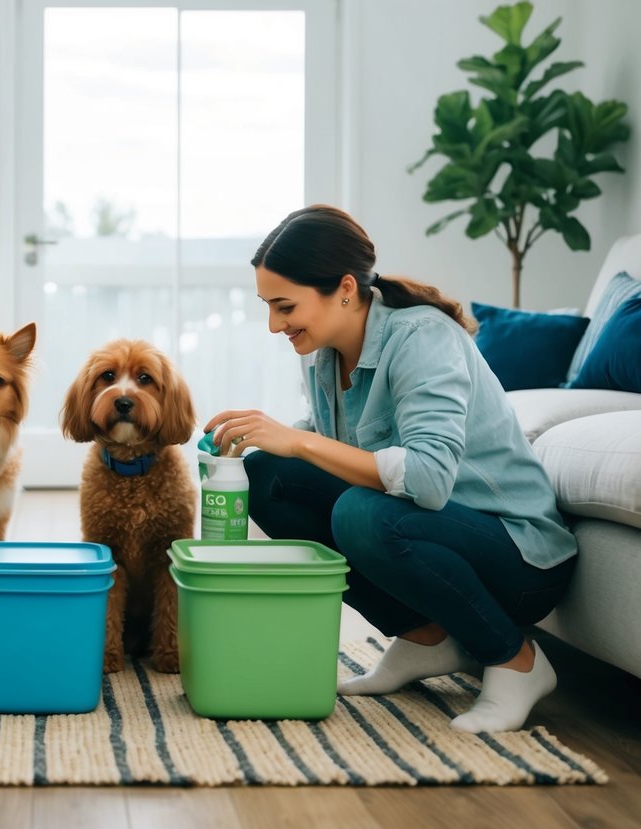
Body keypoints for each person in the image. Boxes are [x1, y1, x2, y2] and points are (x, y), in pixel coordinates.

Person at [199, 205, 577, 733]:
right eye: (268, 306)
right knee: (268, 477)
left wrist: (299, 441)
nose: (274, 325)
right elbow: (324, 440)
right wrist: (262, 440)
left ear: (346, 289)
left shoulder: (422, 337)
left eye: (285, 306)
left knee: (362, 513)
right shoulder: (321, 352)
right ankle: (426, 639)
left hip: (519, 558)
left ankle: (517, 661)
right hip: (438, 534)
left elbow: (426, 478)